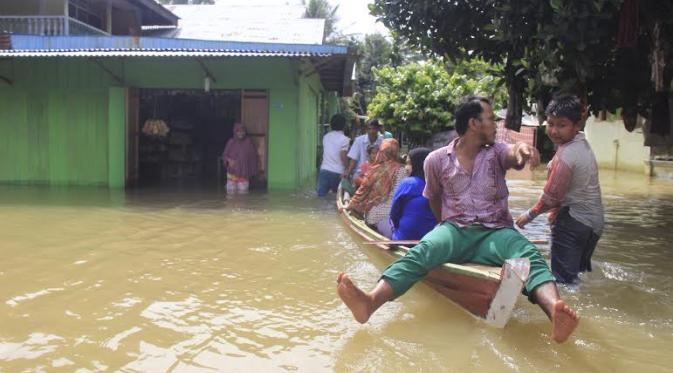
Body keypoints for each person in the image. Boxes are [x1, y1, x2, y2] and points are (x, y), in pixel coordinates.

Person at [337, 96, 580, 343]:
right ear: (474, 123)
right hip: (455, 229)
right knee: (421, 252)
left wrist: (525, 152)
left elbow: (514, 154)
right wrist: (445, 228)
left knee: (528, 255)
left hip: (495, 231)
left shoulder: (496, 152)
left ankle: (554, 311)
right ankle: (370, 302)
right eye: (491, 118)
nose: (496, 124)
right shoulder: (436, 160)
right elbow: (433, 198)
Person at [515, 95, 604, 284]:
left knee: (563, 280)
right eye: (551, 123)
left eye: (562, 125)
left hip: (573, 221)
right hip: (594, 223)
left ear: (576, 125)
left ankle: (570, 310)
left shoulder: (566, 155)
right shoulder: (582, 144)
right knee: (578, 276)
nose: (554, 131)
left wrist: (529, 215)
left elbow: (552, 197)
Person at [345, 139, 408, 238]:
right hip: (392, 216)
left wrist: (349, 206)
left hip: (372, 216)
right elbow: (400, 198)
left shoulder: (373, 169)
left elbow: (362, 191)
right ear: (396, 152)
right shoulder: (402, 170)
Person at [390, 147, 437, 241]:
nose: (406, 168)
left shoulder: (408, 183)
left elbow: (394, 213)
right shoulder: (439, 184)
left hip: (404, 239)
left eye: (409, 163)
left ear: (417, 164)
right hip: (431, 240)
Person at [317, 114, 350, 197]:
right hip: (338, 172)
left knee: (321, 197)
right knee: (337, 197)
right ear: (344, 126)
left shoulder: (326, 137)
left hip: (324, 170)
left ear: (331, 125)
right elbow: (343, 156)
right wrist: (348, 169)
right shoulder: (345, 139)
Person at [222, 123, 258, 193]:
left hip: (244, 175)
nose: (241, 133)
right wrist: (229, 160)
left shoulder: (248, 142)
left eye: (243, 131)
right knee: (231, 197)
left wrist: (252, 170)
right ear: (235, 132)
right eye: (238, 131)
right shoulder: (231, 142)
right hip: (232, 174)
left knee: (242, 198)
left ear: (245, 132)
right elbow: (224, 155)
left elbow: (253, 158)